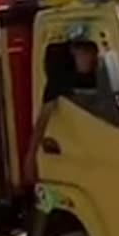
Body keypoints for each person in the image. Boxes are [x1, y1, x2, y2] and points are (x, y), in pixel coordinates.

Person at [28, 26, 98, 161]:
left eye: (91, 53)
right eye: (84, 52)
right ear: (73, 51)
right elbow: (43, 116)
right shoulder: (61, 74)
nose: (88, 59)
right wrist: (31, 156)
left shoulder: (99, 68)